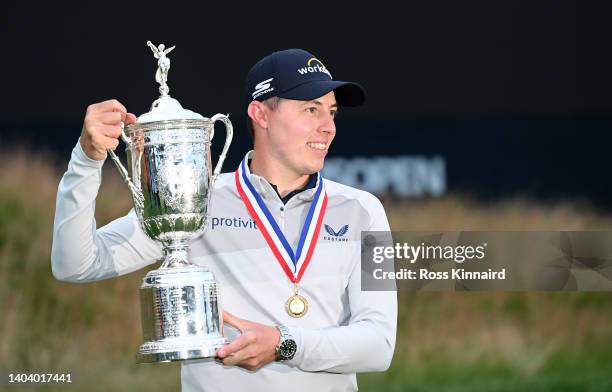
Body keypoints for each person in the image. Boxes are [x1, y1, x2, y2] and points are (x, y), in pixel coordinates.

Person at [52, 48, 397, 392]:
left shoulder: (364, 210)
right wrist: (86, 160)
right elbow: (76, 264)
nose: (328, 127)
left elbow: (379, 344)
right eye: (311, 109)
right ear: (260, 114)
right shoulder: (194, 198)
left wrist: (283, 343)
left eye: (332, 112)